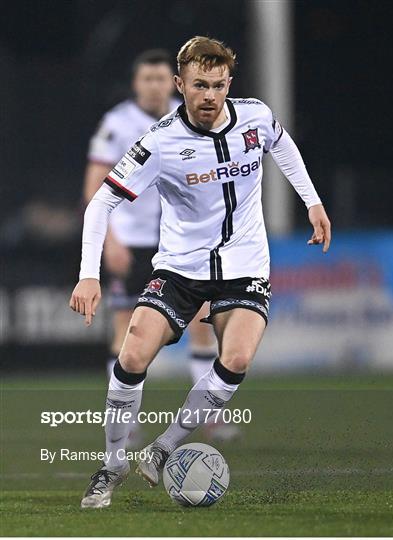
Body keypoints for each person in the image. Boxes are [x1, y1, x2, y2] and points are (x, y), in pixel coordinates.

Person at [70, 36, 331, 508]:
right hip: (181, 267)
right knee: (131, 355)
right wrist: (89, 273)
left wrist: (312, 202)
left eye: (218, 85)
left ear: (229, 84)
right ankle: (111, 466)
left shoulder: (253, 115)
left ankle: (164, 448)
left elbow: (283, 145)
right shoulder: (160, 142)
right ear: (179, 85)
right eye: (199, 85)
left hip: (245, 264)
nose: (210, 96)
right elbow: (102, 202)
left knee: (237, 358)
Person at [84, 49, 226, 445]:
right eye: (147, 79)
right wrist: (110, 240)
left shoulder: (191, 116)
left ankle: (210, 418)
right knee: (127, 331)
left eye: (161, 78)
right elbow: (95, 184)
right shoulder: (116, 123)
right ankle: (124, 423)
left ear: (175, 82)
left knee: (202, 322)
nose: (154, 86)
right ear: (136, 84)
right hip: (131, 242)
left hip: (181, 242)